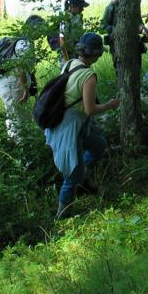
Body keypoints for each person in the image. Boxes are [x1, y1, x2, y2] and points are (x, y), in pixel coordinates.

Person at [44, 32, 119, 218]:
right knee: (72, 175)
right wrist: (110, 105)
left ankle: (82, 179)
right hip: (71, 125)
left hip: (70, 120)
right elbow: (89, 110)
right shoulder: (89, 75)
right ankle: (62, 216)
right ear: (96, 54)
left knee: (99, 146)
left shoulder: (69, 64)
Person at [0, 15, 44, 143]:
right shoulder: (25, 43)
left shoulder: (17, 39)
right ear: (34, 28)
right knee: (19, 117)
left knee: (13, 113)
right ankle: (23, 147)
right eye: (41, 30)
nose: (42, 34)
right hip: (12, 85)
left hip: (4, 82)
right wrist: (25, 88)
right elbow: (20, 66)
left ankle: (14, 143)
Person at [58, 0, 89, 65]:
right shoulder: (65, 19)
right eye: (80, 7)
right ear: (72, 6)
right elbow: (62, 42)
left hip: (77, 53)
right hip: (67, 55)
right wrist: (67, 61)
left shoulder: (78, 17)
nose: (82, 9)